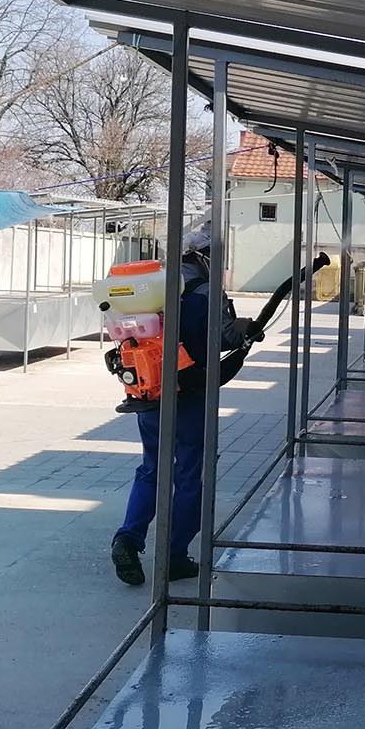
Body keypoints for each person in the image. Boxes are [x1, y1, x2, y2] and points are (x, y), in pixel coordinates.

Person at [109, 222, 257, 586]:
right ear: (205, 257)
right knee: (189, 475)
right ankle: (174, 556)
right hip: (189, 396)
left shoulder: (153, 290)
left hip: (149, 394)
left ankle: (128, 538)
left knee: (152, 468)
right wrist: (245, 330)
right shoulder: (205, 292)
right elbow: (223, 337)